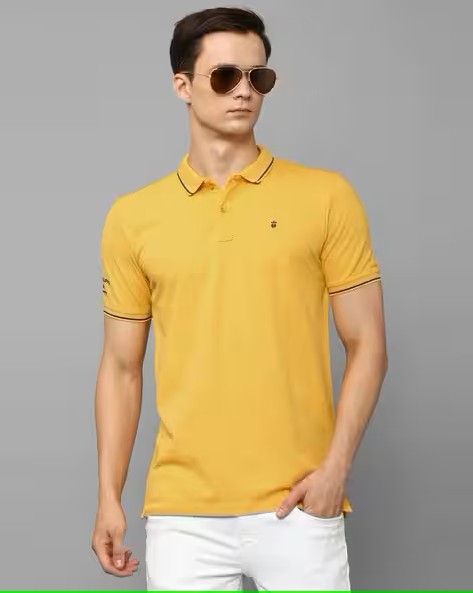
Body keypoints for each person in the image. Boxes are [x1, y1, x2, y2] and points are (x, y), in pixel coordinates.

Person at [91, 6, 388, 591]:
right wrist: (108, 495)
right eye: (225, 76)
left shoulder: (327, 197)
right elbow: (121, 367)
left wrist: (335, 471)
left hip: (299, 505)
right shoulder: (132, 217)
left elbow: (369, 345)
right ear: (182, 85)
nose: (245, 91)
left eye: (259, 77)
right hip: (182, 515)